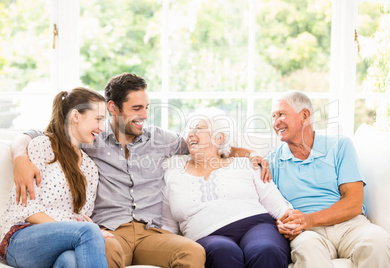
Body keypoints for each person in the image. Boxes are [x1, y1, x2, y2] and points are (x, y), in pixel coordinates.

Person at [11, 73, 270, 268]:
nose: (144, 115)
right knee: (103, 250)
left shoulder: (161, 139)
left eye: (146, 107)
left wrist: (251, 154)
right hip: (111, 230)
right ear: (112, 108)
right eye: (136, 109)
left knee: (192, 252)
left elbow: (205, 143)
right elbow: (41, 134)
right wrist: (21, 157)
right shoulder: (91, 138)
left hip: (151, 232)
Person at [267, 90, 390, 268]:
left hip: (349, 226)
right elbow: (269, 204)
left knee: (378, 241)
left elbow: (354, 202)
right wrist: (282, 223)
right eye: (273, 117)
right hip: (308, 233)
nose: (275, 122)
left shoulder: (339, 146)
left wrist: (310, 219)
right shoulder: (272, 161)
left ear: (304, 116)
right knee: (306, 249)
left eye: (281, 114)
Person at [162, 108, 292, 268]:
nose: (189, 134)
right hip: (206, 235)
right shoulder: (172, 174)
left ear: (219, 138)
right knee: (222, 252)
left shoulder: (245, 164)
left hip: (257, 225)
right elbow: (167, 226)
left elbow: (278, 207)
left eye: (197, 128)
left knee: (266, 249)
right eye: (188, 130)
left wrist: (293, 220)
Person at [0, 87, 108, 268]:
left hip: (62, 243)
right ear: (76, 116)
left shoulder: (90, 167)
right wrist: (80, 230)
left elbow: (80, 216)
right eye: (98, 119)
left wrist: (80, 227)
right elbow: (28, 210)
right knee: (90, 231)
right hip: (22, 238)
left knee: (70, 261)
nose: (102, 128)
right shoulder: (41, 146)